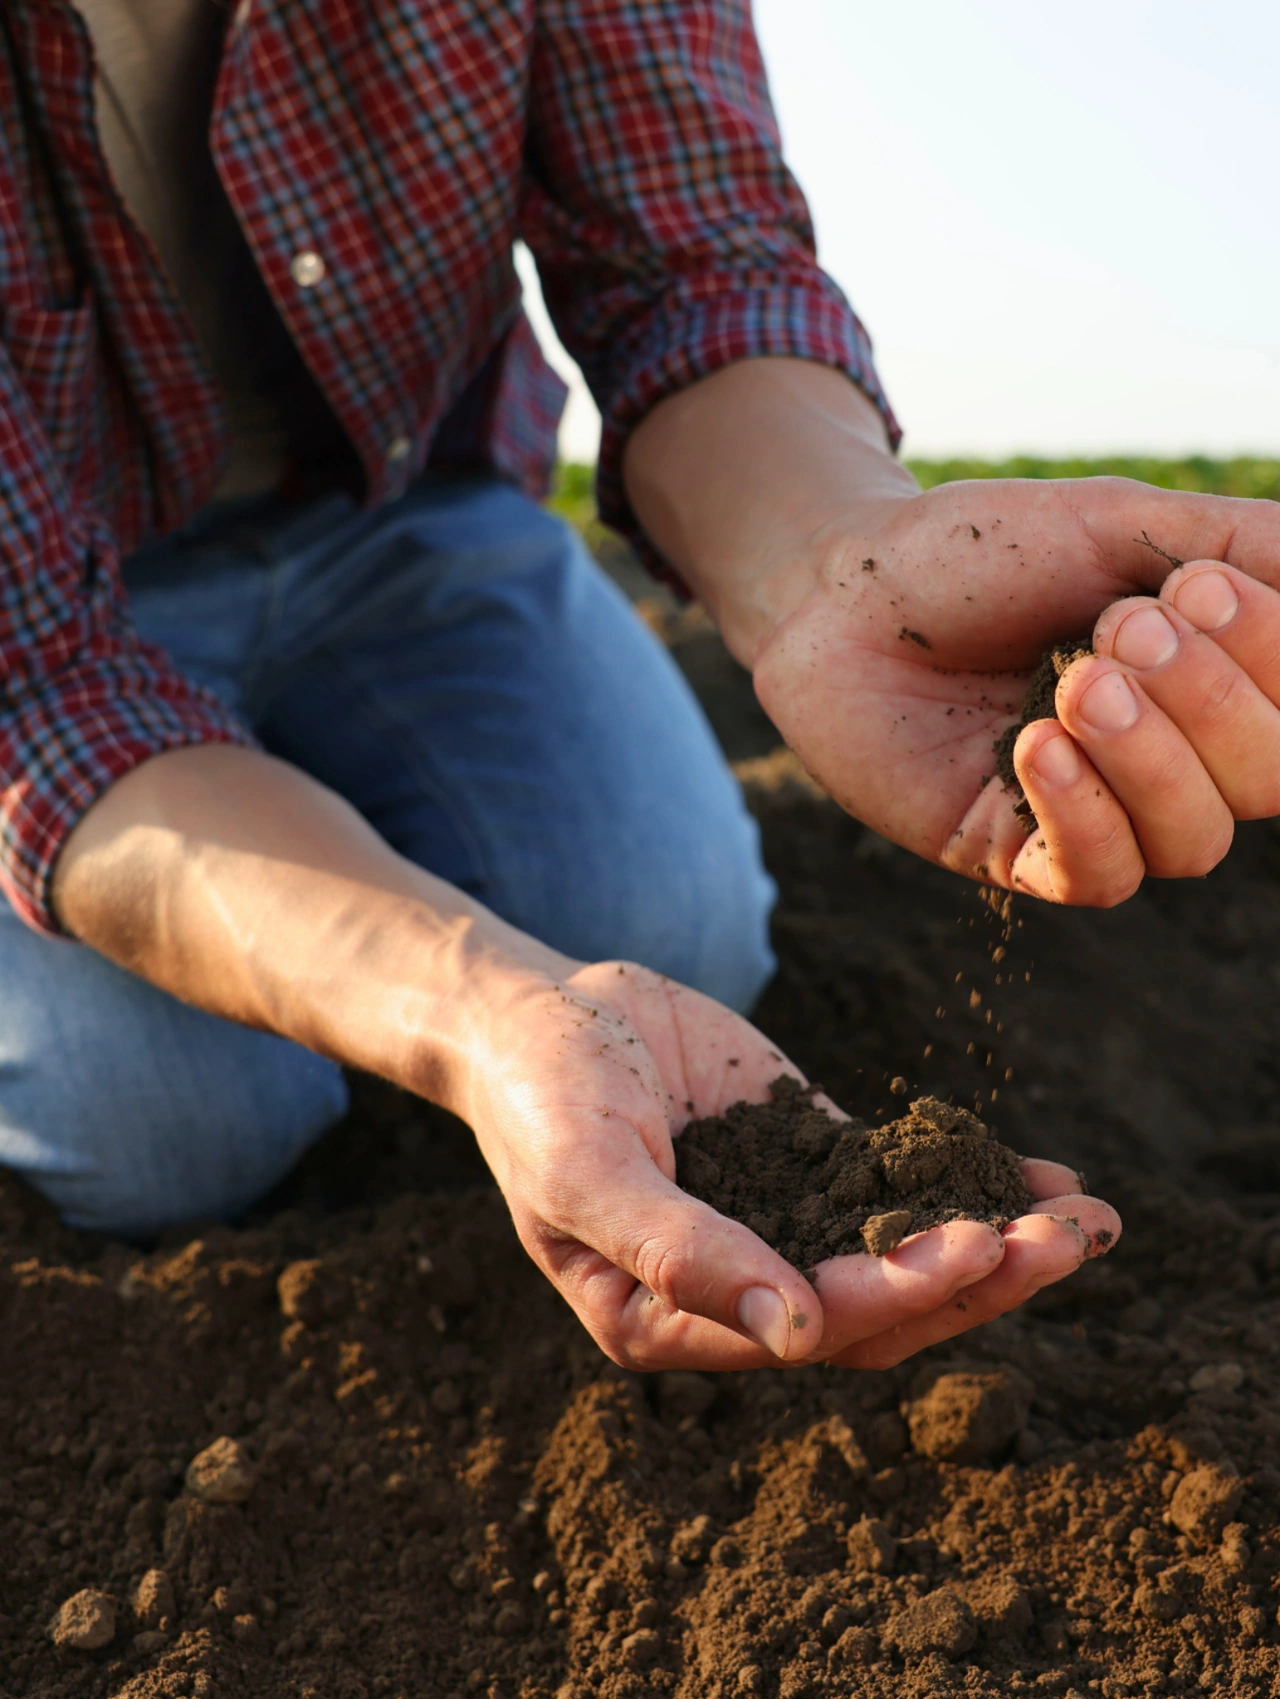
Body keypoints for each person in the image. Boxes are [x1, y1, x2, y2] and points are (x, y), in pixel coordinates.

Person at [2, 0, 1276, 1375]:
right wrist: (477, 1009)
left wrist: (830, 569)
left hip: (394, 512)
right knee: (163, 1119)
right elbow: (43, 690)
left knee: (673, 928)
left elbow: (691, 268)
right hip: (37, 611)